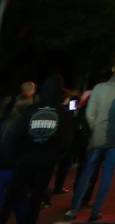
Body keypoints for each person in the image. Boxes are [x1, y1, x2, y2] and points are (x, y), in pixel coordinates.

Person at [67, 53, 115, 222]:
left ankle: (74, 209)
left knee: (87, 171)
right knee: (107, 174)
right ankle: (96, 211)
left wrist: (96, 127)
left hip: (97, 134)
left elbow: (90, 114)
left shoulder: (98, 88)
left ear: (113, 68)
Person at [0, 74, 69, 224]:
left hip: (26, 159)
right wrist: (56, 157)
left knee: (13, 194)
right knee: (36, 197)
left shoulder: (31, 109)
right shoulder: (62, 113)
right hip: (46, 161)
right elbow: (66, 141)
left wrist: (15, 155)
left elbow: (17, 134)